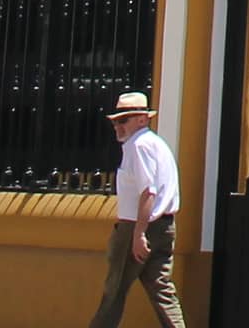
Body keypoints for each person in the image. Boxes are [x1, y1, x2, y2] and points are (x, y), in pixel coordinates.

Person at [88, 87, 184, 328]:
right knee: (162, 291)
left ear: (142, 119)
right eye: (116, 122)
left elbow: (148, 191)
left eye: (124, 120)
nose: (118, 127)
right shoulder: (157, 144)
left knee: (114, 291)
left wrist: (139, 233)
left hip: (137, 226)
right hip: (165, 226)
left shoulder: (137, 146)